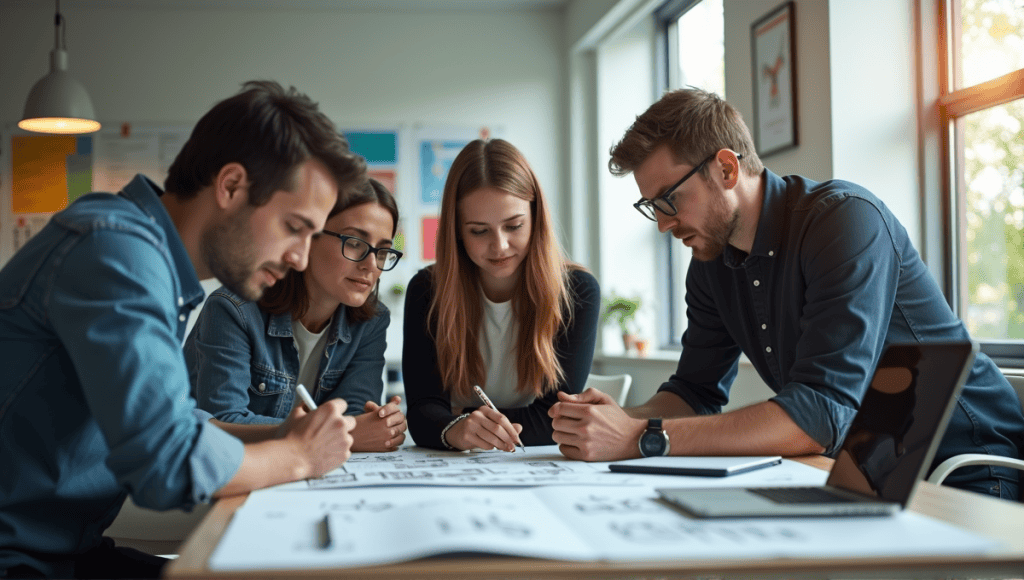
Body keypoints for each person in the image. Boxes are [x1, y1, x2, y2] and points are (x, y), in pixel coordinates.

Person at [549, 88, 1024, 500]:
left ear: (727, 169)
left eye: (668, 200)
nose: (664, 223)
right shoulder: (711, 260)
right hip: (866, 473)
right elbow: (694, 392)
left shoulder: (844, 221)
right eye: (651, 207)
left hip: (966, 470)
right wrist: (615, 421)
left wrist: (641, 437)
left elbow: (819, 414)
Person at [0, 80, 366, 579]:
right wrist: (297, 455)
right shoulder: (116, 252)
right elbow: (165, 463)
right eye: (294, 227)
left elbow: (176, 421)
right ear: (231, 186)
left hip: (65, 552)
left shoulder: (147, 258)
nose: (300, 257)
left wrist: (281, 433)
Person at [404, 139, 600, 452]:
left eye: (514, 226)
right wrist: (451, 426)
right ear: (456, 230)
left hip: (533, 463)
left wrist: (456, 421)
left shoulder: (576, 290)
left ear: (535, 218)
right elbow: (421, 413)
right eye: (479, 231)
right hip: (457, 466)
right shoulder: (427, 290)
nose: (500, 246)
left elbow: (555, 419)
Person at [185, 178, 407, 451]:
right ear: (308, 238)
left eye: (382, 250)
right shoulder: (234, 309)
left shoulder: (371, 321)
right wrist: (316, 433)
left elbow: (356, 418)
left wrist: (380, 424)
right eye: (354, 242)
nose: (371, 265)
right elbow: (220, 424)